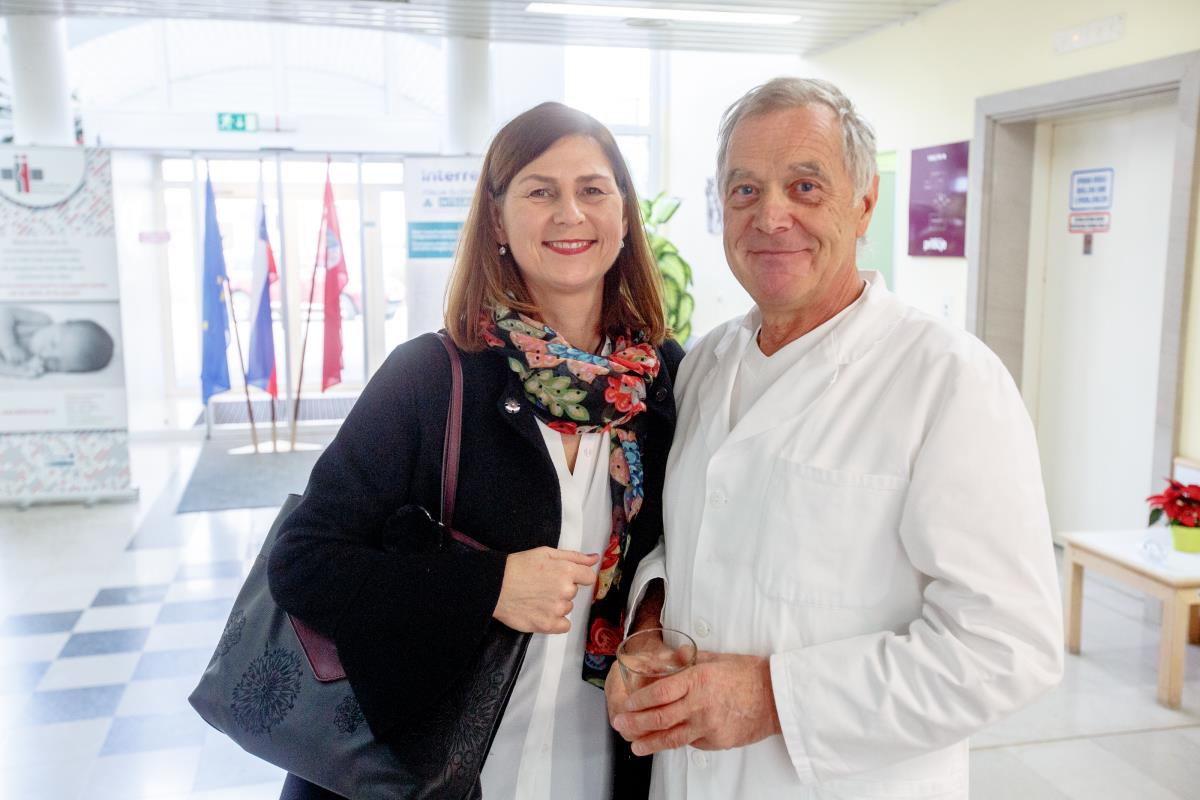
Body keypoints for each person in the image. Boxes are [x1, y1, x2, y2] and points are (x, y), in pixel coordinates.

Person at [608, 77, 1064, 799]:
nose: (771, 216)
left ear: (864, 204)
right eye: (745, 190)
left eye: (806, 186)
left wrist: (771, 698)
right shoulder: (706, 365)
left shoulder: (948, 380)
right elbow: (695, 538)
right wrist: (652, 618)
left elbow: (1008, 647)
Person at [268, 101, 682, 800]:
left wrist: (649, 616)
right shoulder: (430, 377)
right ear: (496, 220)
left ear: (623, 213)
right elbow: (302, 563)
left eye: (592, 189)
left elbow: (685, 544)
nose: (570, 214)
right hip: (428, 773)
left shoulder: (663, 382)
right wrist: (487, 588)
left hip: (597, 764)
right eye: (540, 191)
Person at [0, 304, 114, 377]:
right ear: (60, 324)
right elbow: (4, 312)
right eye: (53, 344)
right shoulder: (42, 320)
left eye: (55, 364)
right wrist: (9, 345)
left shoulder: (35, 365)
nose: (46, 355)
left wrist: (17, 371)